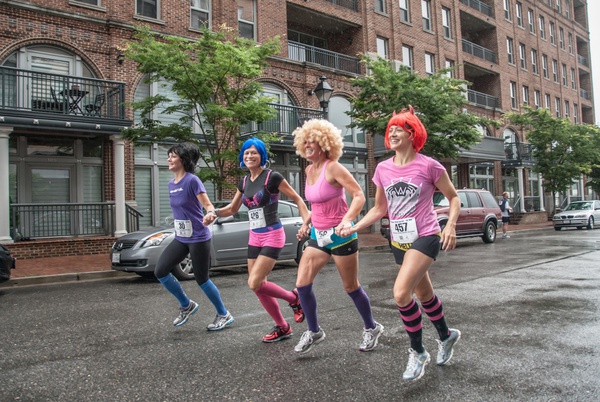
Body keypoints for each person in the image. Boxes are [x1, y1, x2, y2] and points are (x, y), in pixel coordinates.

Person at [339, 106, 461, 381]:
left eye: (398, 128)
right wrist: (354, 226)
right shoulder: (382, 168)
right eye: (389, 129)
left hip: (426, 235)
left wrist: (450, 225)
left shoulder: (429, 165)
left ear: (412, 133)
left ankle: (418, 352)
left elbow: (454, 197)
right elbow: (379, 208)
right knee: (424, 295)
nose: (392, 132)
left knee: (400, 293)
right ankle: (446, 335)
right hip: (399, 240)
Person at [203, 137, 310, 343]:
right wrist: (213, 213)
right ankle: (282, 327)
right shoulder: (244, 181)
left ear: (262, 156)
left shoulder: (272, 177)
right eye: (246, 153)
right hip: (255, 236)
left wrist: (306, 222)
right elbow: (232, 209)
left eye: (254, 152)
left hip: (273, 234)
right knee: (259, 285)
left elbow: (297, 199)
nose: (250, 156)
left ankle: (294, 298)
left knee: (254, 282)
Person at [291, 119, 383, 354]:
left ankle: (371, 327)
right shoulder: (309, 169)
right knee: (302, 284)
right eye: (306, 141)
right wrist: (306, 222)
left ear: (325, 143)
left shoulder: (333, 167)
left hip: (341, 235)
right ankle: (314, 331)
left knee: (350, 286)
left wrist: (347, 220)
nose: (308, 145)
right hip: (317, 234)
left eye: (313, 141)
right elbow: (317, 204)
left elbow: (359, 195)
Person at [155, 142, 234, 330]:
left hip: (198, 237)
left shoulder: (192, 181)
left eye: (173, 156)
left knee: (201, 278)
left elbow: (207, 204)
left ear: (183, 160)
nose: (169, 159)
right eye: (169, 155)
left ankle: (224, 314)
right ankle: (186, 305)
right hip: (181, 237)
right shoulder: (170, 184)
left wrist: (210, 213)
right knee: (161, 271)